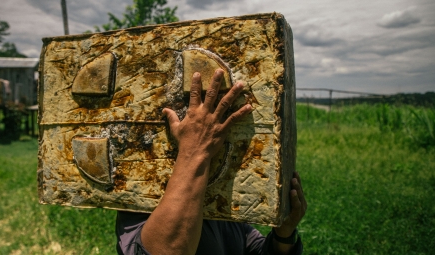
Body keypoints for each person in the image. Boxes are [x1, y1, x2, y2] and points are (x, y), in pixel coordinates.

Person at [116, 69, 307, 255]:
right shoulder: (140, 197)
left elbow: (253, 248)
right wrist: (195, 150)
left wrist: (284, 236)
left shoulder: (222, 201)